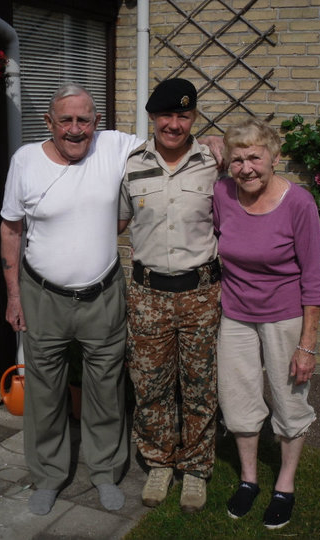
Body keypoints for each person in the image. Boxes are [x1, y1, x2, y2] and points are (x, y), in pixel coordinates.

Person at [0, 83, 143, 515]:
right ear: (50, 122)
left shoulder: (115, 146)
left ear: (97, 122)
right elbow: (10, 229)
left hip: (103, 294)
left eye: (85, 120)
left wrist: (210, 141)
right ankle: (47, 475)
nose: (76, 129)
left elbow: (169, 144)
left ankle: (104, 471)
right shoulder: (24, 160)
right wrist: (13, 296)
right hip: (42, 295)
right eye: (66, 120)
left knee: (106, 389)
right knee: (44, 391)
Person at [212, 118, 320, 529]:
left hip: (286, 317)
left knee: (289, 399)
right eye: (237, 159)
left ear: (275, 159)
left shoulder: (299, 203)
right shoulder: (222, 193)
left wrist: (307, 344)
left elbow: (313, 277)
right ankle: (248, 480)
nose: (246, 168)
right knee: (237, 399)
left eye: (255, 158)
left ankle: (285, 484)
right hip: (236, 316)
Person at [118, 78, 222, 513]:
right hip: (147, 294)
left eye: (183, 116)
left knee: (199, 385)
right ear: (152, 118)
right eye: (166, 116)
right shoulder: (130, 166)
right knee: (151, 384)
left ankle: (196, 468)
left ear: (193, 118)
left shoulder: (215, 162)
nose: (174, 124)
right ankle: (160, 461)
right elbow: (116, 223)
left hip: (200, 294)